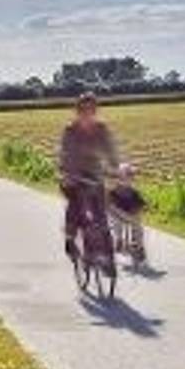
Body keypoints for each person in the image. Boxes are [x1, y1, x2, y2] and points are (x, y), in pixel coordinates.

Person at [58, 92, 120, 262]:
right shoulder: (70, 130)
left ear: (95, 110)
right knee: (75, 206)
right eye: (83, 109)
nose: (87, 112)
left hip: (94, 173)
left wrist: (117, 167)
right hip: (73, 174)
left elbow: (110, 149)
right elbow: (65, 153)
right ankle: (70, 239)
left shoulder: (101, 128)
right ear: (78, 111)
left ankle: (106, 255)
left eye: (91, 109)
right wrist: (67, 173)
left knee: (100, 212)